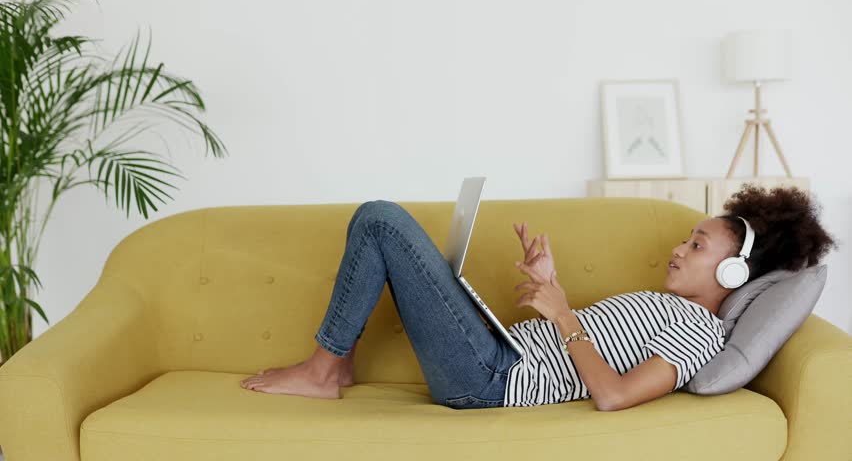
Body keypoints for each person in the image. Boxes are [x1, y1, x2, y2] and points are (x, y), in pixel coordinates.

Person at [239, 184, 838, 410]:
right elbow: (587, 349)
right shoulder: (671, 309)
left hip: (493, 380)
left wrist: (562, 311)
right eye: (686, 238)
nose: (678, 250)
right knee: (384, 224)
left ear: (733, 274)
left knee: (381, 218)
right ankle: (332, 364)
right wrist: (554, 289)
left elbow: (615, 395)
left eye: (698, 246)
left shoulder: (699, 334)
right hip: (497, 354)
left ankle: (324, 369)